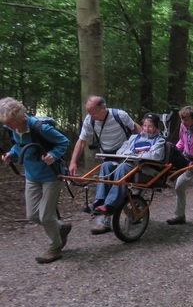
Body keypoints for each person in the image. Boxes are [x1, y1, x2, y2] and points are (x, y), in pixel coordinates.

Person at [0, 97, 71, 263]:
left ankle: (55, 248)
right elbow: (19, 145)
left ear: (21, 118)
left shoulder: (41, 128)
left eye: (10, 123)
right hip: (32, 176)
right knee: (32, 215)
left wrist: (53, 155)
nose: (8, 127)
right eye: (6, 124)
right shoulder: (13, 128)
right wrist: (11, 154)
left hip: (51, 176)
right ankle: (60, 227)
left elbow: (63, 142)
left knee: (46, 216)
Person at [89, 113, 166, 234]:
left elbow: (155, 155)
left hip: (144, 167)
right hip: (128, 162)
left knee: (123, 167)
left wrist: (136, 155)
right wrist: (129, 155)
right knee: (106, 165)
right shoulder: (134, 138)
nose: (146, 128)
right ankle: (100, 200)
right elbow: (121, 150)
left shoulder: (159, 140)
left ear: (156, 127)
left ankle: (110, 204)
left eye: (150, 126)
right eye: (144, 125)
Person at [68, 95, 141, 177]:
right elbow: (81, 141)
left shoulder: (120, 115)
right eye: (90, 113)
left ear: (103, 107)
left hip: (124, 155)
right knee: (105, 169)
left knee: (120, 173)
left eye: (94, 113)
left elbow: (134, 127)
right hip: (107, 156)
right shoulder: (89, 120)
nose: (92, 116)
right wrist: (73, 162)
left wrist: (143, 145)